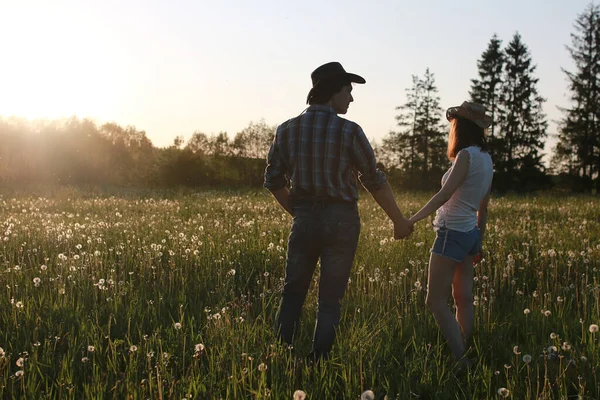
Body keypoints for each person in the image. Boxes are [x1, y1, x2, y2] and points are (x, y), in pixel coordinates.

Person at [264, 61, 413, 360]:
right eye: (348, 90)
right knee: (330, 299)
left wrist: (300, 212)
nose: (351, 98)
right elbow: (374, 180)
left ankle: (282, 357)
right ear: (332, 92)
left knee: (292, 293)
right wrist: (399, 221)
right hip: (342, 220)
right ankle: (318, 362)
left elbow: (273, 181)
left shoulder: (287, 130)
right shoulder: (350, 131)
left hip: (304, 217)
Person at [408, 101, 493, 368]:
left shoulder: (466, 156)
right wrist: (479, 238)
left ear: (460, 127)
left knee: (434, 300)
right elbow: (484, 205)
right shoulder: (486, 158)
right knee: (463, 298)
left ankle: (461, 359)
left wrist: (411, 219)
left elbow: (444, 195)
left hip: (451, 233)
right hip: (469, 234)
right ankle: (464, 347)